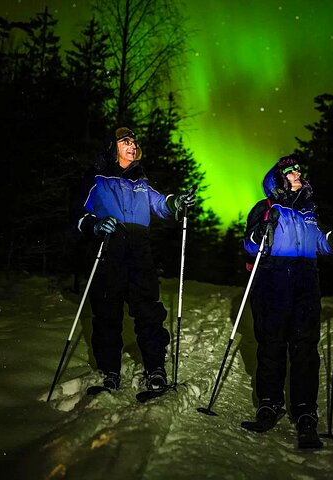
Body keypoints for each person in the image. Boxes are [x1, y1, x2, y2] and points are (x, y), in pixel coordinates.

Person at [241, 153, 333, 449]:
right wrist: (261, 232)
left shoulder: (308, 211)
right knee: (272, 342)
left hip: (306, 280)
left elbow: (319, 243)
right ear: (279, 178)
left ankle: (305, 412)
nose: (297, 173)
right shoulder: (265, 208)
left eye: (298, 170)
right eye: (290, 171)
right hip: (272, 277)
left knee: (305, 348)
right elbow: (249, 244)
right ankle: (269, 403)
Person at [74, 126, 196, 394]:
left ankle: (156, 369)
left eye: (133, 141)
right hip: (110, 250)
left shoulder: (140, 183)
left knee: (148, 312)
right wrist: (95, 225)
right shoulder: (97, 180)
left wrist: (177, 203)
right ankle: (110, 373)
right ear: (112, 146)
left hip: (140, 252)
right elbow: (78, 215)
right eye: (125, 141)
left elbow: (161, 204)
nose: (132, 144)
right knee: (107, 313)